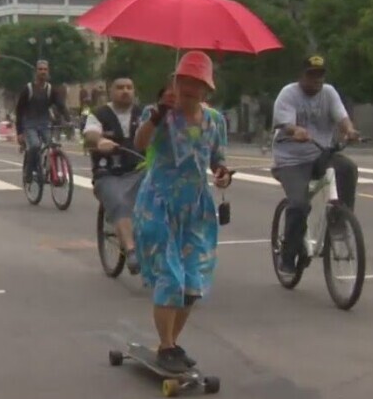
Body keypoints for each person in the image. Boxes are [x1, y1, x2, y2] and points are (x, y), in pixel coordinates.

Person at [133, 52, 232, 373]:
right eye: (184, 81)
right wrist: (158, 115)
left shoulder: (215, 120)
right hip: (159, 205)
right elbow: (140, 143)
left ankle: (170, 344)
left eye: (197, 83)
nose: (189, 89)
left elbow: (217, 158)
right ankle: (166, 346)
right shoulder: (159, 114)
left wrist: (222, 173)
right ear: (173, 82)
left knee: (193, 280)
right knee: (171, 276)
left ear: (207, 89)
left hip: (196, 208)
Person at [270, 55, 361, 281]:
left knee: (347, 168)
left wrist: (350, 131)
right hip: (291, 160)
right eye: (311, 75)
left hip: (321, 154)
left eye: (320, 75)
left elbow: (342, 118)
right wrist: (295, 131)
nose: (317, 80)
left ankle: (340, 224)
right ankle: (288, 257)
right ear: (301, 76)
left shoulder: (329, 93)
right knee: (299, 205)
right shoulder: (288, 94)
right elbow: (285, 124)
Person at [83, 75, 145, 274]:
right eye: (120, 87)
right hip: (108, 174)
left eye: (129, 87)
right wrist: (99, 141)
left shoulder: (144, 114)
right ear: (110, 91)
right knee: (118, 202)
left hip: (139, 171)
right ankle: (131, 251)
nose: (125, 91)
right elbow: (90, 134)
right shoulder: (99, 114)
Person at [15, 60, 69, 184]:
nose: (43, 72)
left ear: (48, 71)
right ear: (36, 72)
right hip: (29, 124)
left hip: (45, 124)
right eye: (40, 69)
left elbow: (60, 105)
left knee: (53, 146)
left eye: (45, 69)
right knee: (35, 145)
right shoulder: (28, 89)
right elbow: (19, 110)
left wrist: (68, 120)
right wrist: (19, 132)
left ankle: (54, 174)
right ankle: (29, 171)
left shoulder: (50, 89)